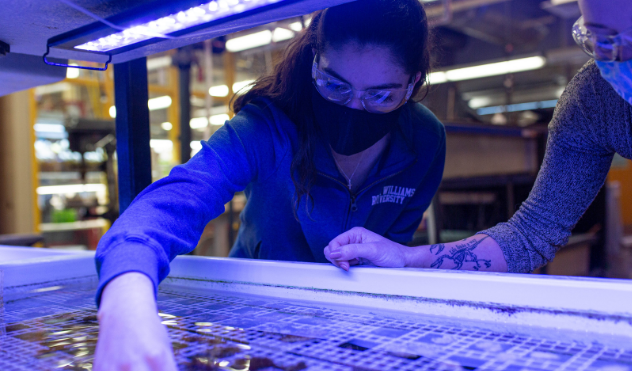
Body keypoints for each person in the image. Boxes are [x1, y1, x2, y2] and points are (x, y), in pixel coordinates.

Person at [93, 1, 446, 369]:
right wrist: (125, 303)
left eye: (381, 96)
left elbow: (393, 254)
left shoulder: (424, 141)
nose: (353, 107)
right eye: (334, 85)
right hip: (254, 323)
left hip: (353, 325)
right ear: (315, 62)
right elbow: (174, 200)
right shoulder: (266, 128)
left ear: (412, 84)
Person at [324, 0, 632, 279]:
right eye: (601, 39)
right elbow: (532, 233)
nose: (623, 56)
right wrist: (406, 257)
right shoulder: (596, 98)